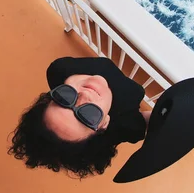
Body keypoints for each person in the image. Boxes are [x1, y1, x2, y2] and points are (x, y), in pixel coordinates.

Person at [8, 56, 151, 178]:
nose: (84, 96)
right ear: (104, 124)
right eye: (89, 115)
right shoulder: (126, 124)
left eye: (63, 99)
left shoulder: (60, 69)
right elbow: (147, 121)